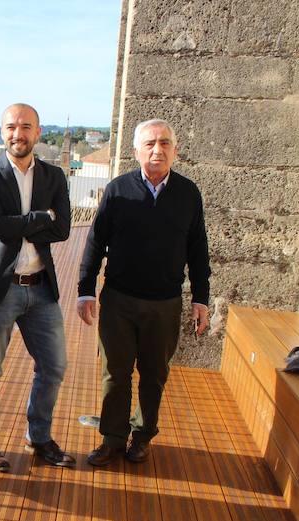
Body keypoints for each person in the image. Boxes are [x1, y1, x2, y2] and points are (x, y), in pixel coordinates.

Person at [78, 118, 211, 466]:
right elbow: (95, 243)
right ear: (136, 151)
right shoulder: (118, 190)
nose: (157, 150)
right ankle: (112, 438)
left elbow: (198, 249)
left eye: (165, 143)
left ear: (175, 151)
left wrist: (201, 298)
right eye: (150, 144)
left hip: (165, 304)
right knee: (115, 373)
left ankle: (142, 436)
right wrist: (85, 290)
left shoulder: (188, 193)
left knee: (154, 376)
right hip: (119, 300)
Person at [0, 103, 74, 472]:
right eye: (11, 126)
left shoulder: (54, 177)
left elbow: (62, 230)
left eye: (26, 126)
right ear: (2, 133)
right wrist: (41, 218)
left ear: (38, 133)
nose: (18, 133)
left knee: (54, 366)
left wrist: (25, 222)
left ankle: (38, 436)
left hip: (41, 288)